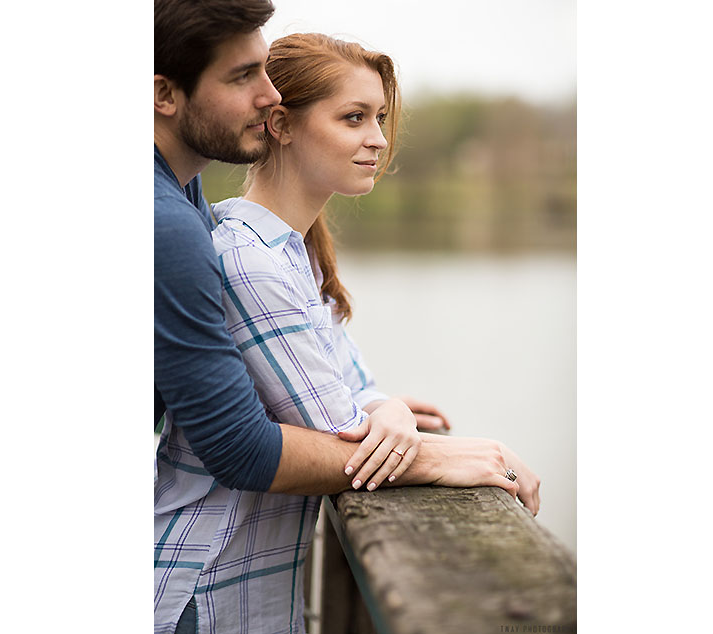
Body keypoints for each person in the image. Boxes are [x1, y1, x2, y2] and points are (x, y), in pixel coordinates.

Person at [153, 2, 540, 632]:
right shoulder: (246, 259)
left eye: (381, 118)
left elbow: (356, 389)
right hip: (203, 588)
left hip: (249, 593)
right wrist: (477, 456)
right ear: (281, 125)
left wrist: (386, 413)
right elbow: (339, 431)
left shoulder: (288, 251)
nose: (379, 139)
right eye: (354, 117)